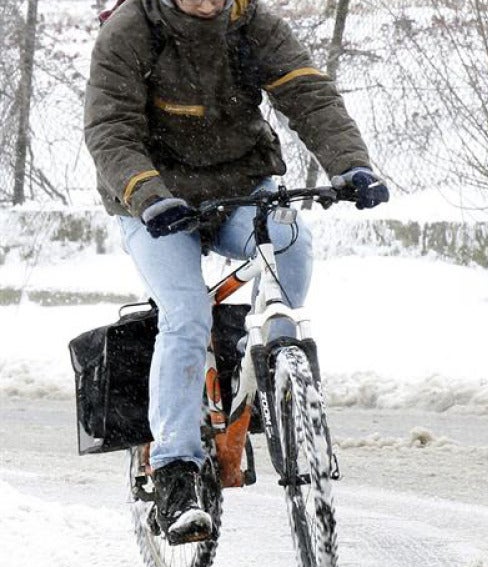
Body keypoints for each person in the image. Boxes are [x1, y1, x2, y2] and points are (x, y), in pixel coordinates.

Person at [84, 0, 387, 544]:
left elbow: (309, 95)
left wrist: (352, 164)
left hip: (239, 186)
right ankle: (175, 472)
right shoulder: (131, 30)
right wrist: (148, 195)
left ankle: (278, 374)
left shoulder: (252, 24)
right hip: (153, 203)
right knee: (185, 312)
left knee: (290, 241)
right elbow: (110, 128)